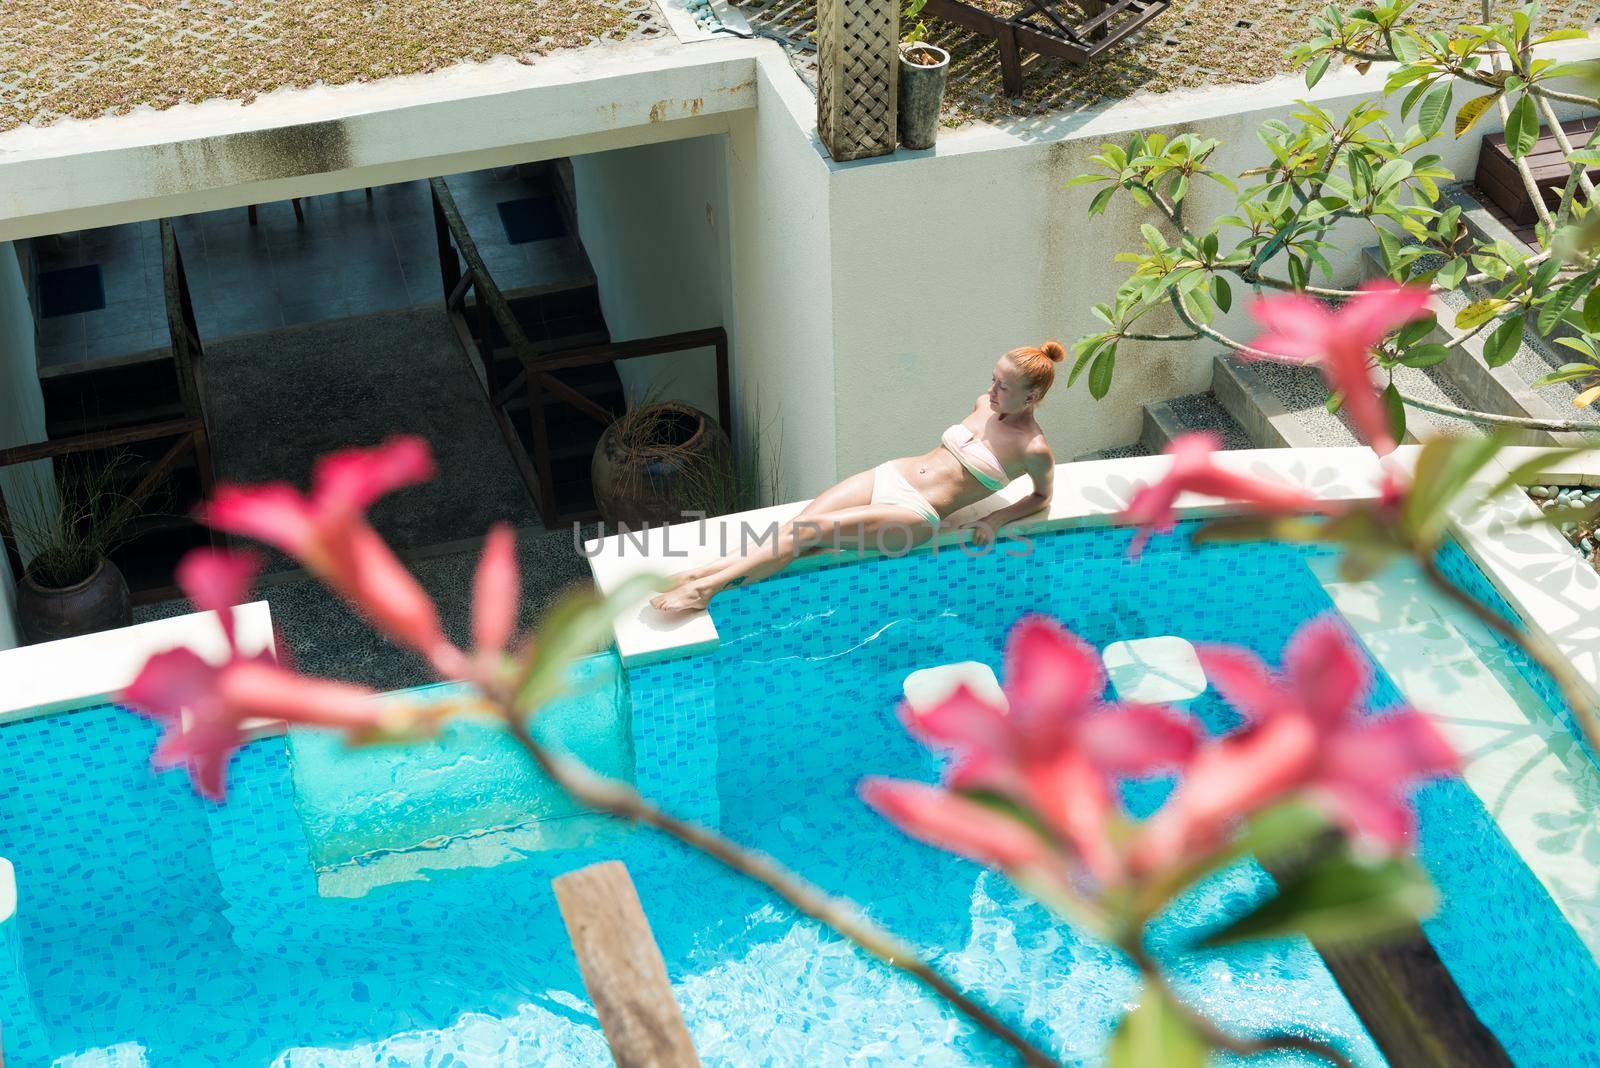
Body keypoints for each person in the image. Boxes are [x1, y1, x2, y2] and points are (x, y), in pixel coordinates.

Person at [649, 341, 1062, 614]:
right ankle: (703, 573)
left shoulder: (1033, 448)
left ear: (1032, 397)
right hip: (891, 475)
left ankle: (704, 591)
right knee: (795, 531)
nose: (991, 391)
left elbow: (1041, 498)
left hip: (916, 513)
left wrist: (994, 519)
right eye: (993, 378)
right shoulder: (981, 404)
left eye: (1003, 387)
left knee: (806, 533)